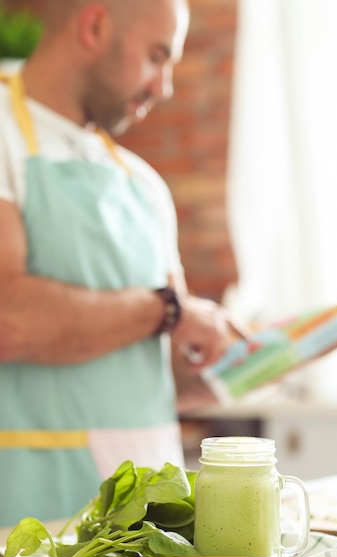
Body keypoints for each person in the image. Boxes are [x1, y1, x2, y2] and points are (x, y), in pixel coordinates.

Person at [0, 0, 243, 527]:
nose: (165, 85)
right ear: (93, 26)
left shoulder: (143, 184)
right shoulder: (4, 138)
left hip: (149, 519)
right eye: (157, 56)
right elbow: (10, 319)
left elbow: (163, 367)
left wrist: (258, 352)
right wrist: (166, 310)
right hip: (30, 507)